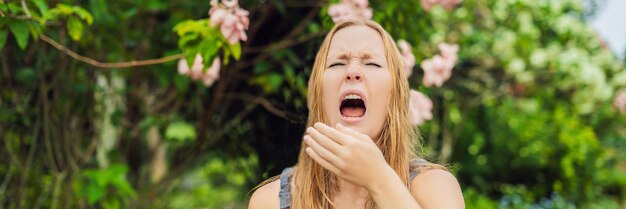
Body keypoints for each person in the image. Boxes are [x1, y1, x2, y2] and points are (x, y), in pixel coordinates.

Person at [248, 20, 465, 209]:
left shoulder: (436, 188)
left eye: (372, 63)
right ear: (318, 94)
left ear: (394, 95)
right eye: (337, 63)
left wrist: (379, 180)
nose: (352, 72)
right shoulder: (269, 202)